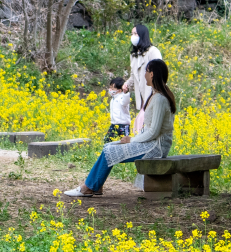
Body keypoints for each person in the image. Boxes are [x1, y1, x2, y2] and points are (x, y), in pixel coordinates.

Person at [64, 59, 176, 198]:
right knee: (109, 146)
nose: (144, 75)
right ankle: (95, 186)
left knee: (110, 150)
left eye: (146, 72)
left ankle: (88, 188)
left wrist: (132, 140)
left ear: (152, 74)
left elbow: (154, 132)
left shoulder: (160, 98)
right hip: (151, 143)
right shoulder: (155, 95)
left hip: (156, 147)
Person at [122, 23, 163, 116]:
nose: (133, 36)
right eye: (132, 34)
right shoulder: (134, 55)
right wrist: (127, 85)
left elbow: (160, 73)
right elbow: (133, 75)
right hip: (141, 97)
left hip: (152, 94)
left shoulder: (153, 51)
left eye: (135, 34)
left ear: (142, 35)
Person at [104, 76, 131, 143]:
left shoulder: (122, 97)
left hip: (123, 125)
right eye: (110, 87)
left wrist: (126, 93)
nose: (110, 89)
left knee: (124, 143)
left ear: (119, 90)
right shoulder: (113, 99)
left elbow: (125, 101)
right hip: (113, 124)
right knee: (107, 141)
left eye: (112, 88)